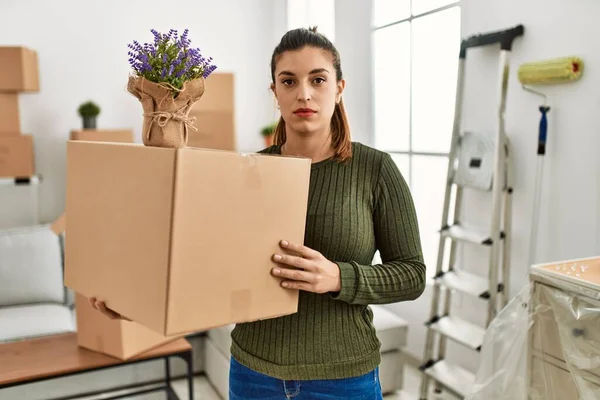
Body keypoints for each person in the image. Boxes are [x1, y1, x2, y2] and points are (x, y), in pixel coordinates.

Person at [91, 26, 426, 399]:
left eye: (318, 79)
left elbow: (412, 275)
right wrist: (136, 301)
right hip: (253, 375)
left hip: (344, 379)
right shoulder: (246, 172)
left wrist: (337, 278)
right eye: (289, 81)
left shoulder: (375, 170)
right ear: (275, 93)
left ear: (339, 88)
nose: (304, 93)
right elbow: (207, 268)